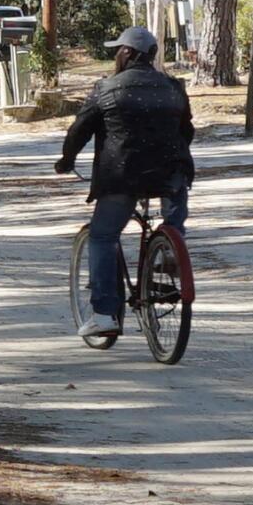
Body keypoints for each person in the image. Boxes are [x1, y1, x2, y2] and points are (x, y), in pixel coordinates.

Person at [53, 26, 194, 344]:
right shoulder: (173, 87)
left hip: (122, 176)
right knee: (174, 217)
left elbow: (79, 131)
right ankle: (171, 249)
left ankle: (104, 314)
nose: (115, 54)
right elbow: (186, 131)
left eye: (118, 49)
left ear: (128, 53)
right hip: (172, 174)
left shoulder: (107, 88)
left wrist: (67, 160)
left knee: (103, 237)